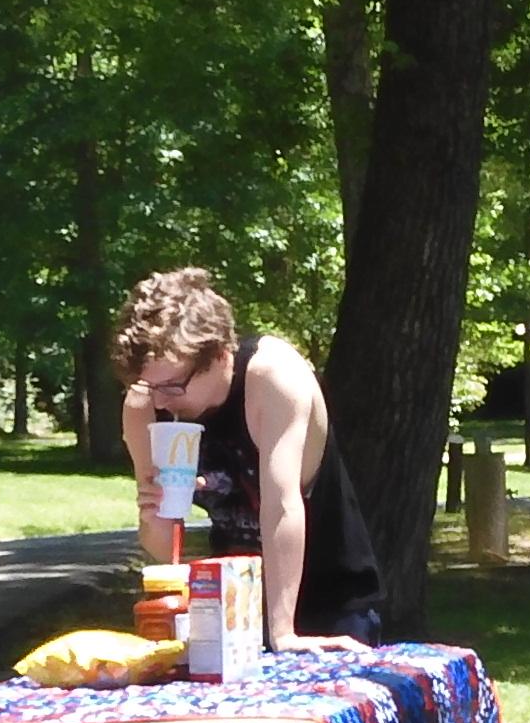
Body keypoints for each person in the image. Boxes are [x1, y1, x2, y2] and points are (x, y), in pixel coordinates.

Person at [112, 268, 389, 648]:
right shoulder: (145, 405)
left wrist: (282, 634)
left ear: (219, 354)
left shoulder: (271, 377)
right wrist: (156, 512)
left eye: (173, 385)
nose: (161, 401)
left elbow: (281, 506)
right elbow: (164, 549)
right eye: (149, 386)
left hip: (332, 598)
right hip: (232, 604)